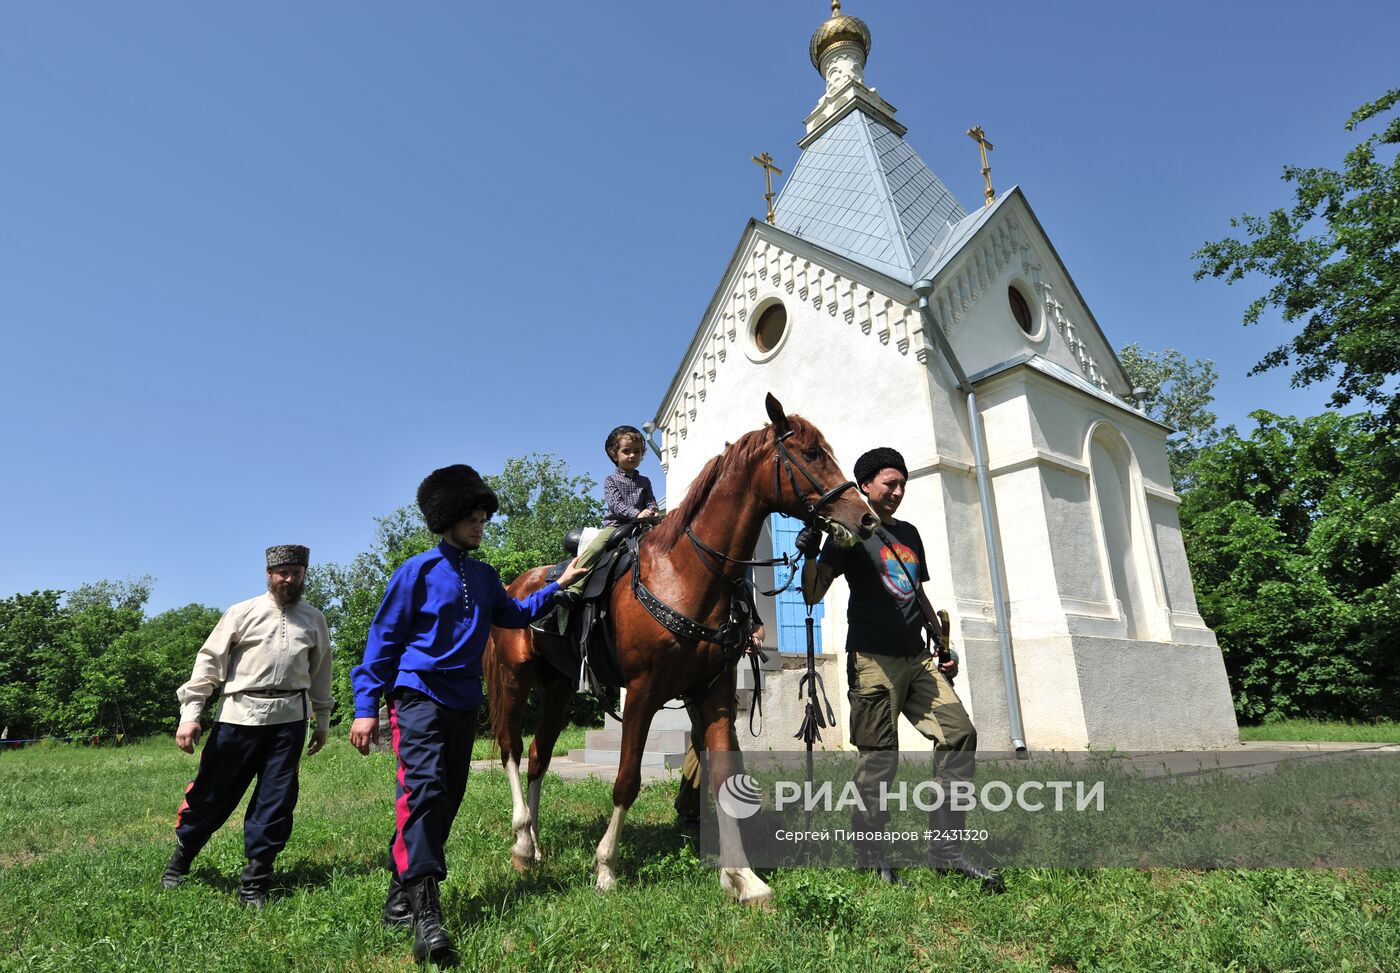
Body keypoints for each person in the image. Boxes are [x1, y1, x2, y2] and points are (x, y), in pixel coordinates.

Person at [350, 464, 586, 966]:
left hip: (463, 702)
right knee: (424, 791)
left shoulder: (482, 576)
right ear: (448, 517)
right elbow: (382, 641)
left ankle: (399, 897)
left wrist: (560, 584)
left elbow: (515, 614)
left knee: (447, 799)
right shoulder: (416, 571)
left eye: (484, 517)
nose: (481, 525)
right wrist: (366, 708)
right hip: (416, 697)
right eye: (472, 517)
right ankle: (427, 917)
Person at [801, 447, 1004, 892]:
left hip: (917, 657)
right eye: (889, 483)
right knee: (879, 760)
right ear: (866, 486)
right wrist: (811, 550)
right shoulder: (851, 532)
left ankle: (946, 850)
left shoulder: (909, 533)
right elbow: (813, 593)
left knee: (960, 735)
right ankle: (871, 857)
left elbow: (916, 592)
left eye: (902, 483)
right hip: (872, 659)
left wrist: (939, 640)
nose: (897, 491)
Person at [162, 545, 333, 908]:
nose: (289, 579)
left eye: (296, 573)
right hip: (239, 717)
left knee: (276, 800)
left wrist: (322, 721)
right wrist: (191, 714)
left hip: (289, 721)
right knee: (212, 792)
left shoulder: (314, 619)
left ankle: (255, 881)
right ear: (269, 574)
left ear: (304, 575)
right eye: (282, 572)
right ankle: (180, 861)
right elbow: (209, 664)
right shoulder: (241, 613)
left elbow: (320, 674)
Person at [555, 425, 662, 629]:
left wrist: (653, 511)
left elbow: (651, 501)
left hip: (642, 526)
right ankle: (573, 587)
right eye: (626, 451)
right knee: (596, 548)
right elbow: (616, 505)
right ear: (614, 454)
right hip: (617, 525)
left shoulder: (645, 481)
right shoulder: (611, 480)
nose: (632, 455)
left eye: (637, 451)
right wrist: (636, 514)